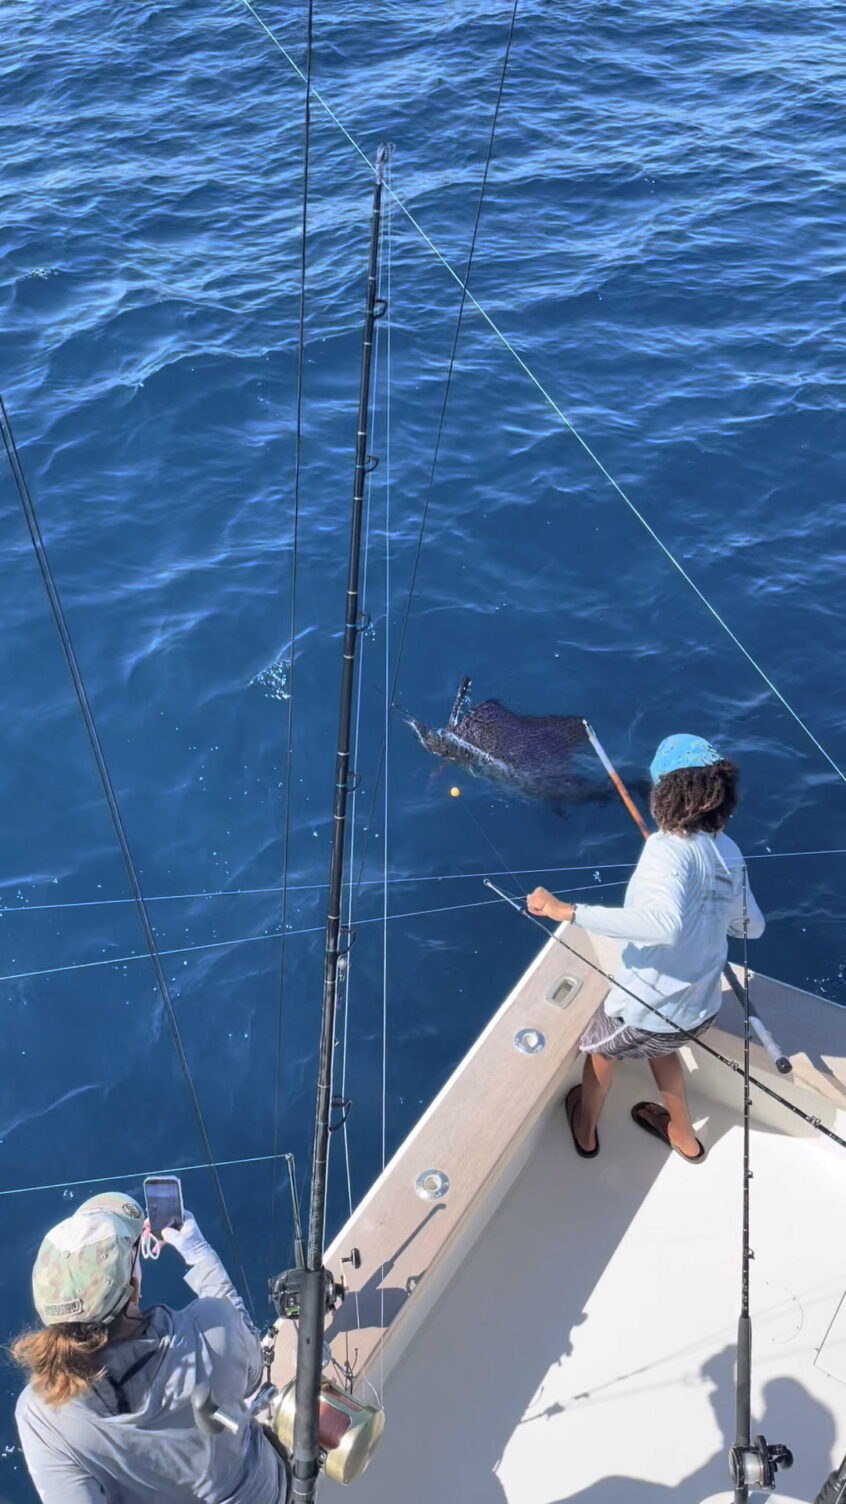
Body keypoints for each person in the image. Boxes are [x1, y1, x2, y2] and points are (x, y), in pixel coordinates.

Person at [528, 733, 765, 1163]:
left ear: (667, 792)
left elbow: (662, 926)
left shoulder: (665, 847)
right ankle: (684, 1137)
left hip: (645, 1010)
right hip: (701, 1009)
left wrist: (567, 911)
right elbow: (752, 927)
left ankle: (585, 1129)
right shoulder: (729, 850)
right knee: (664, 1047)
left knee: (599, 1050)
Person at [12, 1192, 288, 1503]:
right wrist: (198, 1253)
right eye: (133, 1254)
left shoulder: (40, 1416)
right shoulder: (211, 1325)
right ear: (133, 1288)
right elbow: (252, 1376)